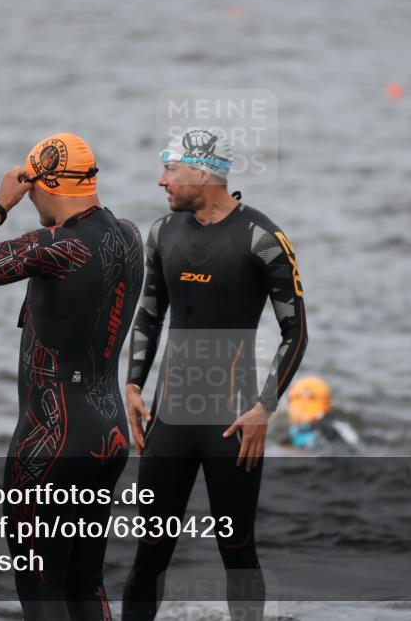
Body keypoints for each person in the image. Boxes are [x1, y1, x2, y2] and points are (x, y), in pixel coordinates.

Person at [0, 133, 143, 620]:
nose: (29, 196)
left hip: (50, 442)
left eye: (31, 187)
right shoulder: (131, 236)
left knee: (42, 591)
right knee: (86, 584)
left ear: (43, 183)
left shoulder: (59, 246)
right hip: (108, 434)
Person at [122, 128, 309, 621]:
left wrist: (264, 407)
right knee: (150, 555)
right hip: (170, 419)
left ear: (204, 175)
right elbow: (148, 314)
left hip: (233, 422)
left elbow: (297, 333)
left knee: (238, 554)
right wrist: (134, 384)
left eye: (172, 170)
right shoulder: (162, 233)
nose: (162, 180)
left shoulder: (262, 239)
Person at [286, 376, 357, 450]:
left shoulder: (316, 430)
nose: (290, 408)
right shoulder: (339, 425)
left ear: (303, 404)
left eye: (290, 401)